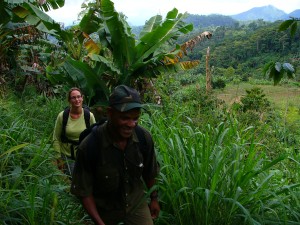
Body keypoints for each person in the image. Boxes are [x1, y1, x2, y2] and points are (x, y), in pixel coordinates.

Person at [71, 85, 160, 225]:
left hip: (136, 204)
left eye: (136, 118)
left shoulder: (143, 138)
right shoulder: (90, 146)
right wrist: (99, 223)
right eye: (125, 118)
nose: (131, 124)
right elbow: (84, 192)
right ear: (110, 113)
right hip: (105, 210)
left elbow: (149, 172)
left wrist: (154, 198)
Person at [53, 87, 96, 177]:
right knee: (72, 179)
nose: (77, 100)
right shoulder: (63, 116)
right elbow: (56, 137)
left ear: (82, 98)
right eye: (73, 97)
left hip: (84, 154)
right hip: (67, 154)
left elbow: (95, 136)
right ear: (69, 100)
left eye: (78, 97)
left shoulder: (89, 116)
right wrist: (58, 157)